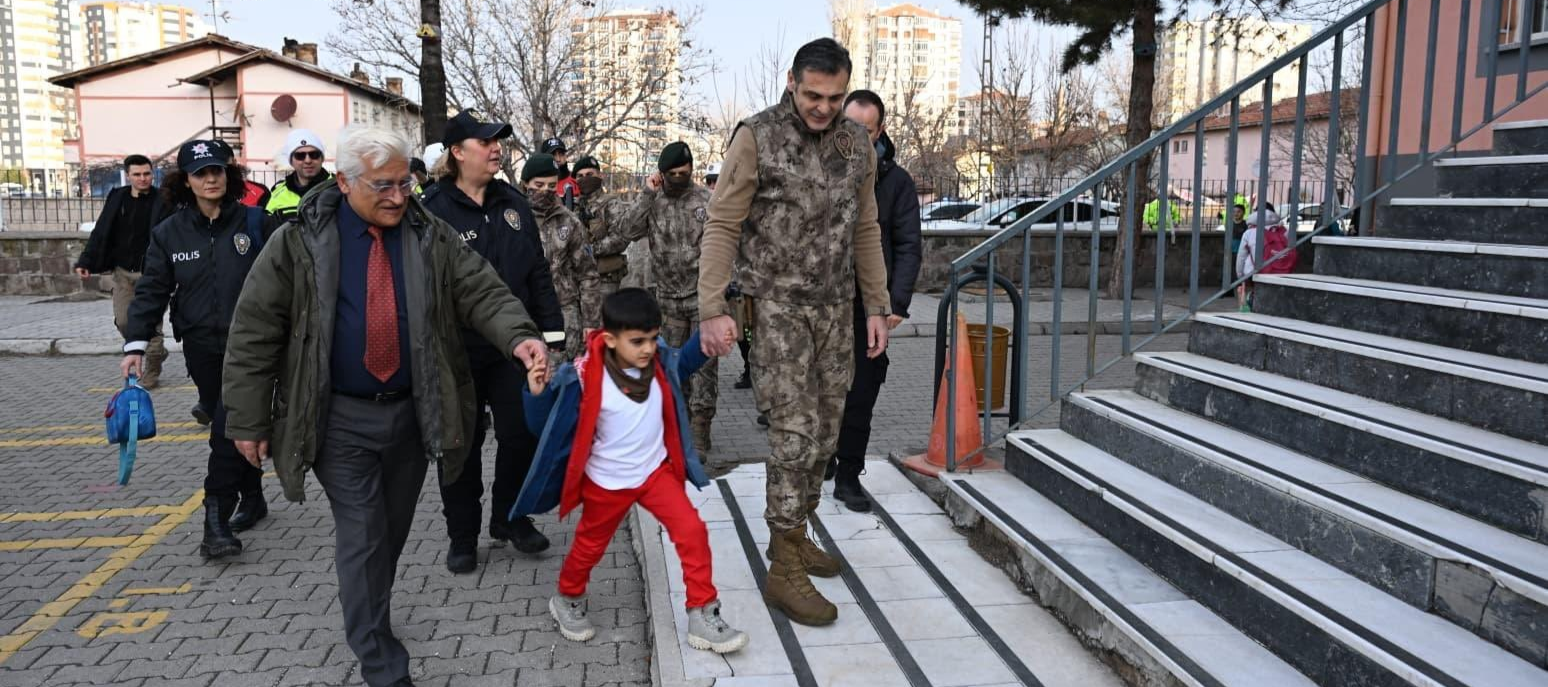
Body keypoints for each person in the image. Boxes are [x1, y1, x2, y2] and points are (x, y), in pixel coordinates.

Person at [221, 126, 549, 687]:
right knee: (365, 532)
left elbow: (482, 291)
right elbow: (254, 333)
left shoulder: (430, 236)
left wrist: (519, 336)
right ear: (345, 181)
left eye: (405, 184)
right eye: (384, 186)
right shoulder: (298, 242)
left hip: (411, 413)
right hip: (336, 418)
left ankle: (372, 606)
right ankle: (379, 657)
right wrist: (248, 420)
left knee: (391, 531)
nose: (399, 197)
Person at [697, 38, 892, 626]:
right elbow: (723, 223)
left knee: (828, 430)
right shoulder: (756, 136)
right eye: (812, 94)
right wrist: (712, 307)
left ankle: (799, 526)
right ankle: (783, 563)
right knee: (794, 431)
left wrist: (877, 305)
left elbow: (866, 227)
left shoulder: (857, 143)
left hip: (836, 311)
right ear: (790, 81)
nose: (822, 107)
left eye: (834, 97)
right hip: (775, 310)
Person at [520, 288, 747, 654]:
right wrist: (536, 394)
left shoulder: (657, 362)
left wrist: (707, 343)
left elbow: (682, 363)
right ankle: (568, 597)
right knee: (589, 547)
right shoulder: (582, 376)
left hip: (655, 475)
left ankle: (702, 613)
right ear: (610, 339)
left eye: (654, 338)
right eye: (638, 341)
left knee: (692, 531)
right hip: (607, 484)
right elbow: (544, 425)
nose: (648, 348)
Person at [421, 109, 566, 573]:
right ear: (458, 153)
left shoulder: (513, 203)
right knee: (459, 442)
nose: (497, 148)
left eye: (499, 141)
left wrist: (551, 333)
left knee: (521, 433)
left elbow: (538, 271)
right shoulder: (431, 209)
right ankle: (462, 534)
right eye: (486, 142)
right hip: (457, 349)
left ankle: (510, 518)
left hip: (514, 347)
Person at [118, 140, 279, 558]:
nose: (210, 179)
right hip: (200, 345)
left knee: (228, 427)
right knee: (227, 421)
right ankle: (254, 496)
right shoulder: (169, 232)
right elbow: (152, 289)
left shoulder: (258, 223)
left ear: (229, 175)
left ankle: (215, 520)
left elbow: (292, 276)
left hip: (252, 348)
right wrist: (135, 344)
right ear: (185, 181)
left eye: (217, 171)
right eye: (200, 173)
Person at [826, 90, 921, 513]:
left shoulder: (896, 183)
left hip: (869, 307)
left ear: (879, 130)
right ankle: (821, 459)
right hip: (821, 303)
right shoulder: (820, 169)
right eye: (848, 128)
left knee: (861, 393)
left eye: (865, 130)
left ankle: (848, 475)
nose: (855, 138)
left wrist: (895, 304)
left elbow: (908, 245)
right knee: (818, 392)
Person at [614, 141, 719, 452]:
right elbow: (627, 230)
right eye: (671, 173)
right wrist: (647, 193)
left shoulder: (704, 200)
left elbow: (724, 244)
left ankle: (700, 436)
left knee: (704, 372)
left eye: (683, 173)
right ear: (660, 174)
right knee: (673, 372)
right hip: (669, 302)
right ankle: (678, 432)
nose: (678, 177)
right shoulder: (653, 200)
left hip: (701, 300)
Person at [75, 154, 172, 389]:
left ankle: (152, 366)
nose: (143, 179)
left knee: (151, 322)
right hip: (122, 272)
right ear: (128, 175)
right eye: (137, 174)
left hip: (152, 273)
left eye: (147, 174)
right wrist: (85, 261)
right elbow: (102, 230)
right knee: (123, 321)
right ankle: (155, 350)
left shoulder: (163, 200)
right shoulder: (117, 197)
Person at [522, 153, 602, 359]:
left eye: (551, 186)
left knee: (561, 380)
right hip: (524, 314)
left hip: (564, 315)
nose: (545, 191)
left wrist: (591, 323)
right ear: (525, 184)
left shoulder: (569, 222)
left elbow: (588, 274)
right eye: (538, 185)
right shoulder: (513, 219)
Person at [573, 155, 629, 295]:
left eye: (589, 174)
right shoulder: (574, 206)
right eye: (580, 176)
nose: (585, 178)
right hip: (579, 277)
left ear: (600, 175)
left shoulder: (611, 203)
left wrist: (590, 250)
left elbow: (621, 238)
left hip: (605, 280)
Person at [266, 128, 333, 220]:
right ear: (291, 161)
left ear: (322, 158)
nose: (308, 160)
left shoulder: (338, 187)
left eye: (314, 155)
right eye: (300, 156)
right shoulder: (278, 193)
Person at [541, 136, 581, 202]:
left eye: (561, 154)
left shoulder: (578, 180)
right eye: (553, 155)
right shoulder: (538, 185)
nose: (558, 159)